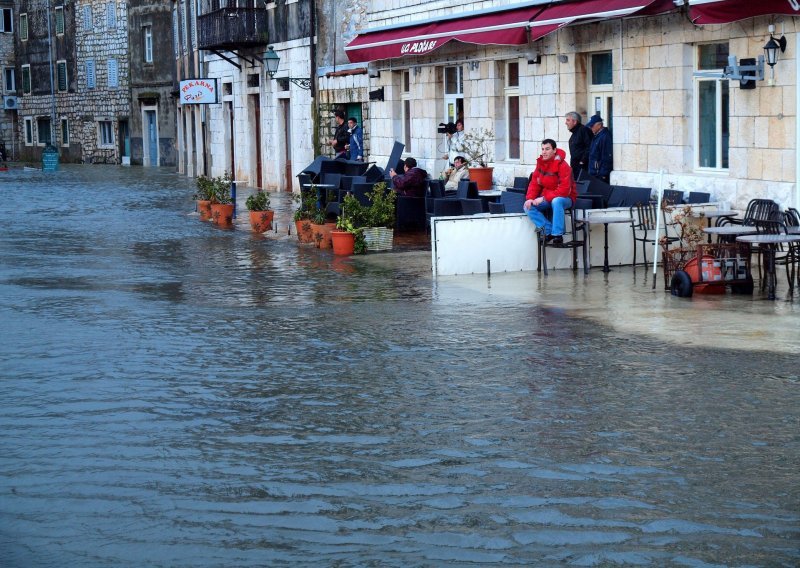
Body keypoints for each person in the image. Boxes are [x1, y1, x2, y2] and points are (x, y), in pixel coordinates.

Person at [523, 139, 576, 244]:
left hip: (566, 197)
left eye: (547, 149)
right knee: (528, 206)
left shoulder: (563, 166)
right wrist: (530, 198)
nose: (544, 152)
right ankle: (548, 230)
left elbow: (564, 190)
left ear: (554, 150)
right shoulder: (541, 163)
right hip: (548, 196)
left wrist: (543, 198)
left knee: (556, 201)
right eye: (542, 149)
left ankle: (557, 235)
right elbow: (534, 183)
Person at [565, 111, 593, 180]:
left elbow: (590, 147)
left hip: (583, 169)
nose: (566, 123)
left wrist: (582, 161)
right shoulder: (575, 132)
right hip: (576, 168)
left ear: (575, 122)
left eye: (568, 120)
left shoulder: (583, 130)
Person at [587, 114, 613, 183]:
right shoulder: (596, 136)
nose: (590, 127)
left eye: (592, 126)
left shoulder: (605, 136)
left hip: (599, 175)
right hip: (594, 173)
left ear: (599, 125)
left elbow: (607, 156)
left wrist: (603, 174)